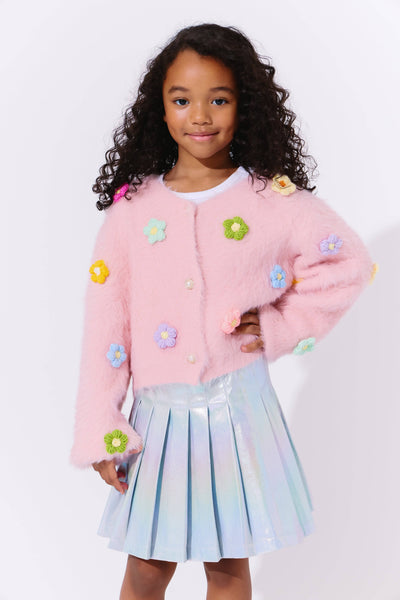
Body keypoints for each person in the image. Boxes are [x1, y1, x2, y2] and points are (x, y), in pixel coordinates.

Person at [69, 23, 377, 600]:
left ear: (244, 105)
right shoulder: (133, 209)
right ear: (160, 108)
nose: (200, 116)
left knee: (228, 568)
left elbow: (348, 263)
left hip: (236, 413)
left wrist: (282, 326)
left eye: (219, 99)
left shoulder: (271, 199)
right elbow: (105, 325)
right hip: (158, 419)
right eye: (181, 100)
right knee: (147, 568)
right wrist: (102, 429)